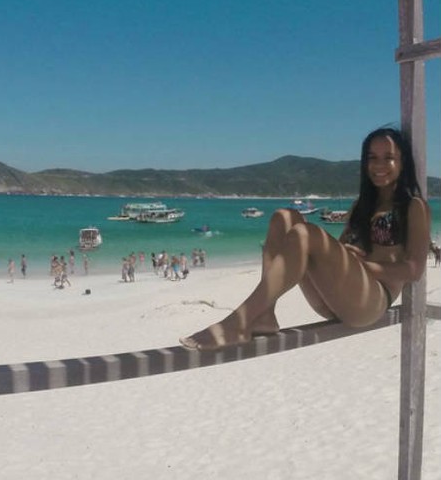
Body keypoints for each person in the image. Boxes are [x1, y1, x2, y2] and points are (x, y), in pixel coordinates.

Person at [180, 127, 430, 351]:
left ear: (402, 162)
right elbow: (340, 250)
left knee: (306, 234)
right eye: (372, 158)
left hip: (371, 301)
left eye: (389, 158)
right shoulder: (360, 206)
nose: (379, 165)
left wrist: (365, 266)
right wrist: (345, 257)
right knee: (284, 217)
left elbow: (414, 270)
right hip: (336, 297)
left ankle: (238, 322)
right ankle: (266, 313)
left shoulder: (413, 207)